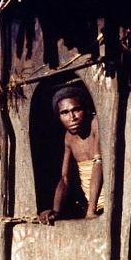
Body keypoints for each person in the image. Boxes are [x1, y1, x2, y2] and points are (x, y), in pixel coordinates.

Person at [39, 86, 104, 224]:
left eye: (76, 110)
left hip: (107, 202)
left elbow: (99, 163)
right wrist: (56, 211)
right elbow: (65, 178)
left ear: (86, 110)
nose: (72, 118)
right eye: (65, 113)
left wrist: (90, 211)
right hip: (92, 205)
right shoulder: (68, 137)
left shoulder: (95, 124)